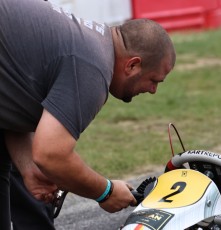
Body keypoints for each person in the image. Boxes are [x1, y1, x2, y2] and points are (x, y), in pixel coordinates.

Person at [0, 0, 176, 229]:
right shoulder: (94, 66)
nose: (153, 91)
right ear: (132, 65)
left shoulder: (90, 43)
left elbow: (11, 99)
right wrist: (106, 192)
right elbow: (51, 154)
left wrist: (27, 166)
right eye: (154, 81)